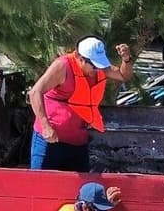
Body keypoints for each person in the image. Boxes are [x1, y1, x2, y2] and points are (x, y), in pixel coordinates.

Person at [28, 36, 134, 171]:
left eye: (99, 65)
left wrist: (126, 60)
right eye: (93, 65)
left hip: (78, 140)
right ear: (80, 57)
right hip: (50, 140)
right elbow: (35, 92)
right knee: (42, 181)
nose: (97, 69)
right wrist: (45, 127)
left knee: (80, 183)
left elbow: (124, 76)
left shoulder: (100, 68)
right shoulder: (62, 66)